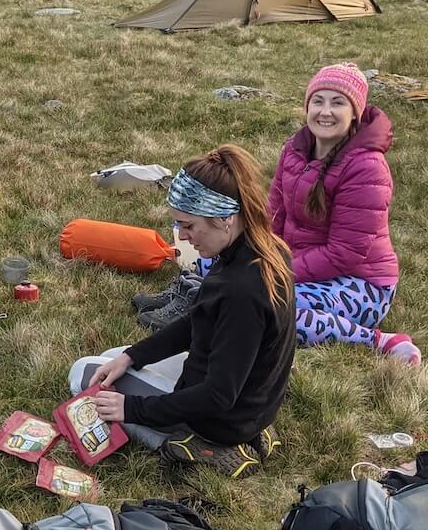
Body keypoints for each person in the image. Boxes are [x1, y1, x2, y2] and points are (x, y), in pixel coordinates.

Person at [68, 145, 295, 478]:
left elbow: (217, 395)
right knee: (113, 358)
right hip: (252, 402)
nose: (183, 238)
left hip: (222, 418)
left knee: (83, 373)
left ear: (225, 218)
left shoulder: (241, 290)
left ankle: (197, 445)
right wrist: (132, 356)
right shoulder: (265, 250)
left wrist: (131, 409)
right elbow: (200, 320)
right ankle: (246, 435)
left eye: (188, 226)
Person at [267, 62, 420, 364]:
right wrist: (260, 256)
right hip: (300, 267)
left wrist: (279, 272)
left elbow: (344, 253)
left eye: (338, 102)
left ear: (355, 113)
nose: (325, 112)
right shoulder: (294, 150)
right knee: (219, 262)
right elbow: (274, 214)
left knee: (271, 311)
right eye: (317, 101)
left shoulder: (366, 167)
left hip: (362, 283)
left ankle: (380, 341)